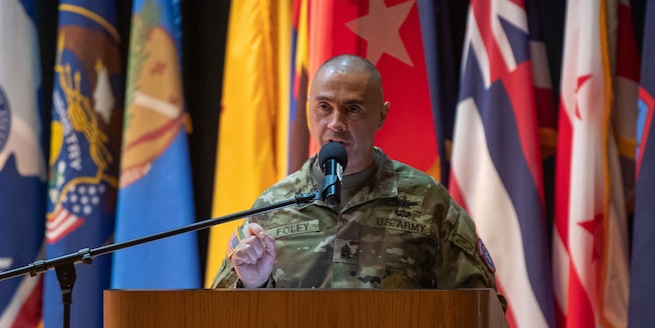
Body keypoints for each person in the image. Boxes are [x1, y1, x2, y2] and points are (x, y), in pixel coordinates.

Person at [210, 54, 500, 298]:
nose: (336, 123)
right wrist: (251, 284)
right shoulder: (273, 206)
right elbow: (220, 316)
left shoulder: (426, 201)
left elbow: (481, 309)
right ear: (310, 107)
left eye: (353, 109)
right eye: (324, 107)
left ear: (381, 116)